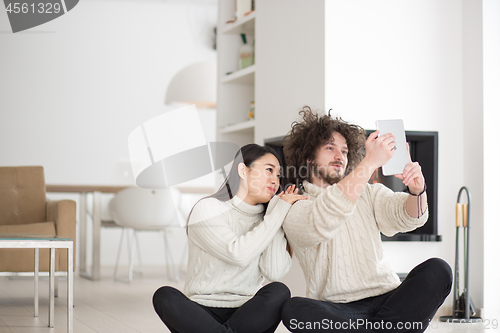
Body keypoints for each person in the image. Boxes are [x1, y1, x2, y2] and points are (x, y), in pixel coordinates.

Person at [281, 107, 452, 332]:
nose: (339, 156)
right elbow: (322, 219)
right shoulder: (296, 205)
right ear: (308, 157)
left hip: (389, 300)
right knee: (294, 309)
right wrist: (369, 162)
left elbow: (409, 217)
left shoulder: (368, 193)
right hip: (339, 310)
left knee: (438, 270)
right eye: (330, 148)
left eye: (344, 151)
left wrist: (417, 191)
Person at [153, 143, 307, 333]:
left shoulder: (270, 217)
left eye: (278, 175)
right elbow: (237, 254)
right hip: (203, 310)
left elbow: (273, 272)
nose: (275, 180)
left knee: (279, 291)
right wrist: (276, 215)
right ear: (243, 170)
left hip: (247, 313)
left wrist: (276, 214)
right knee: (165, 296)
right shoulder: (208, 209)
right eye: (269, 170)